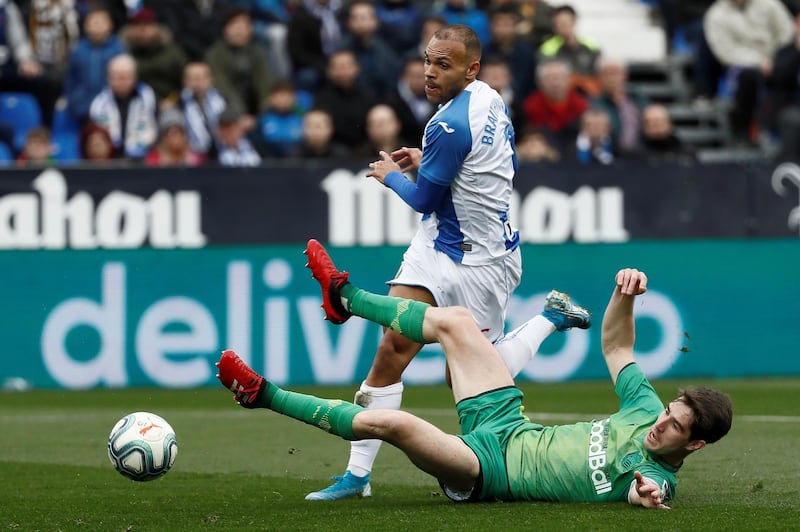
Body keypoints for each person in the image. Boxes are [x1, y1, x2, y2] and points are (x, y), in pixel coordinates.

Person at [217, 239, 733, 508]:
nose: (662, 422)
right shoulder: (645, 408)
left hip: (488, 471)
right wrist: (625, 294)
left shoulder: (658, 476)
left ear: (694, 446)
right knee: (456, 322)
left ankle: (262, 394)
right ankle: (346, 297)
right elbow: (618, 344)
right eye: (670, 411)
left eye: (676, 426)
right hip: (510, 423)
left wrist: (646, 497)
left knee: (394, 424)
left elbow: (646, 495)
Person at [305, 24, 587, 501]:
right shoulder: (488, 98)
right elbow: (475, 163)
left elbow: (423, 199)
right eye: (427, 61)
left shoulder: (450, 124)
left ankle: (547, 319)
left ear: (471, 69)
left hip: (484, 266)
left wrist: (391, 175)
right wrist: (428, 158)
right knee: (392, 350)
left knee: (472, 376)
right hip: (439, 246)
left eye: (443, 65)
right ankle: (357, 476)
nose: (430, 73)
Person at [88, 54, 158, 159]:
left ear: (135, 78)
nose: (120, 82)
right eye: (116, 77)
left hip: (142, 158)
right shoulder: (98, 104)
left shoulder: (147, 97)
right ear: (108, 78)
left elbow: (152, 130)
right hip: (109, 159)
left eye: (125, 77)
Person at [64, 6, 125, 125]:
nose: (97, 25)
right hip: (82, 108)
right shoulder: (78, 50)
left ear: (110, 25)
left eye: (101, 21)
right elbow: (70, 79)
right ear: (85, 26)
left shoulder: (118, 48)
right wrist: (73, 100)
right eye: (92, 21)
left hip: (111, 108)